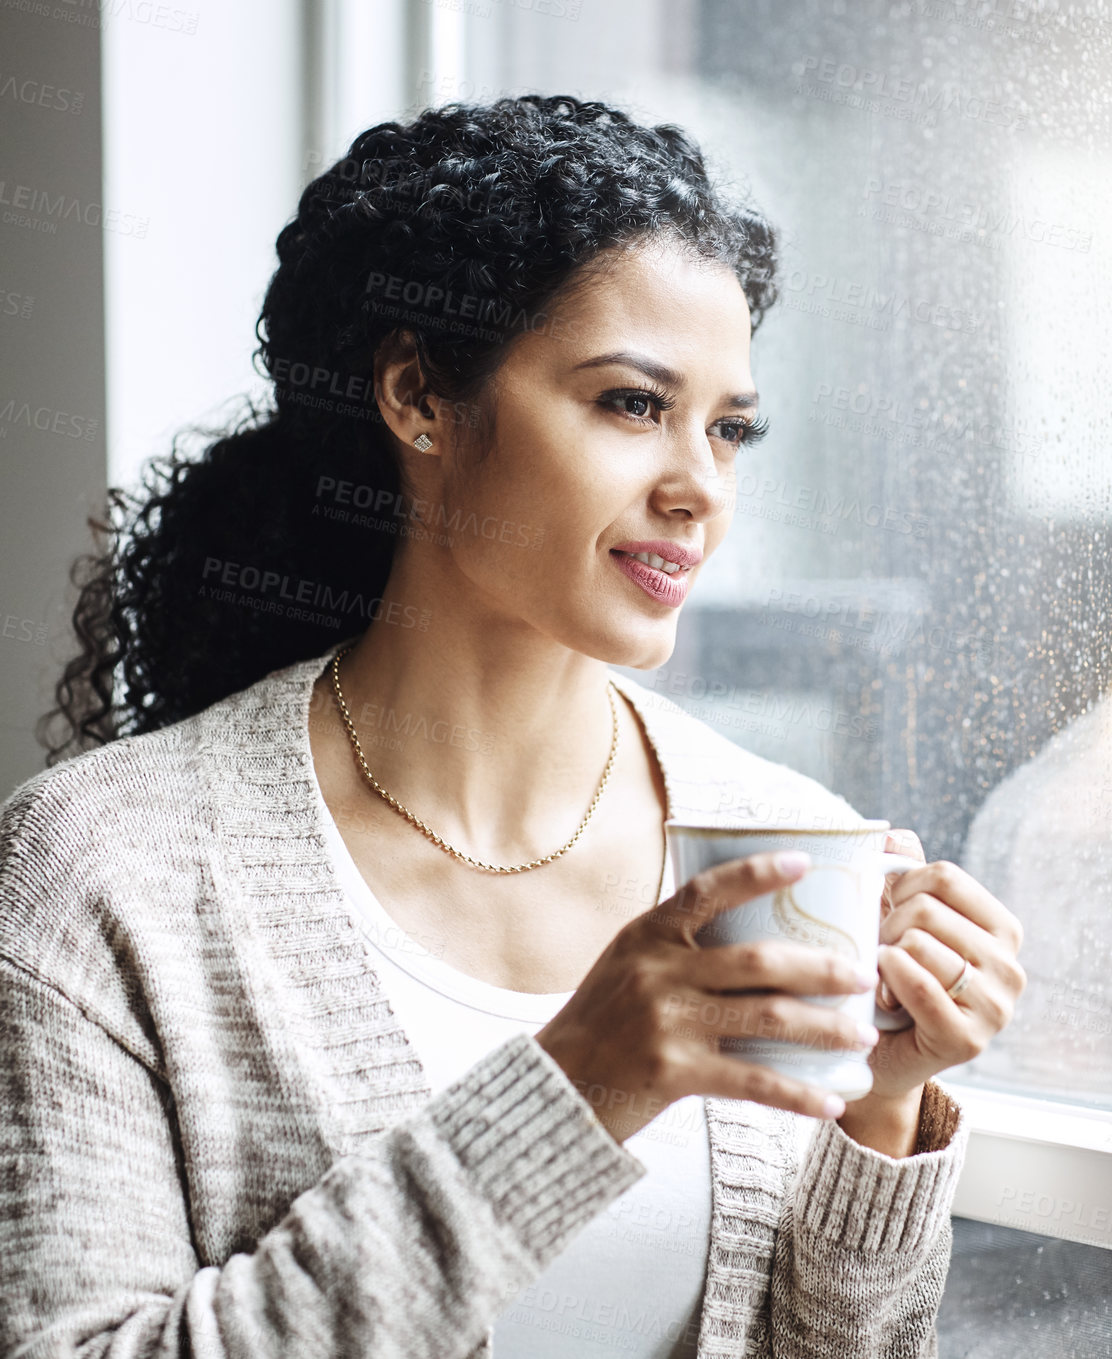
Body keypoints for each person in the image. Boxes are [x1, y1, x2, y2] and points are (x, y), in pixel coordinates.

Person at [0, 95, 1025, 1359]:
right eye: (630, 405)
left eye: (729, 428)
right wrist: (584, 1082)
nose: (699, 486)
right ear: (420, 397)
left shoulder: (781, 847)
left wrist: (881, 1106)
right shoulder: (107, 875)